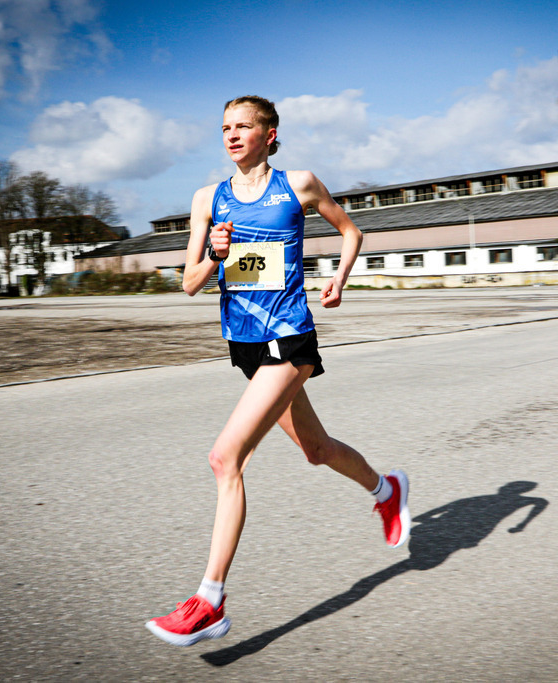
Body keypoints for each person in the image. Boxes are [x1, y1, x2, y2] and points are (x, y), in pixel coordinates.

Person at [145, 96, 410, 647]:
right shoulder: (207, 199)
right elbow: (189, 282)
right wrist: (216, 255)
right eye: (224, 127)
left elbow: (351, 231)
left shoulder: (300, 185)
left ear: (270, 134)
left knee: (225, 458)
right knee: (315, 449)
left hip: (288, 339)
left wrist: (339, 279)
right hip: (245, 347)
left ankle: (209, 602)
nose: (231, 135)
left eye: (243, 126)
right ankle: (386, 490)